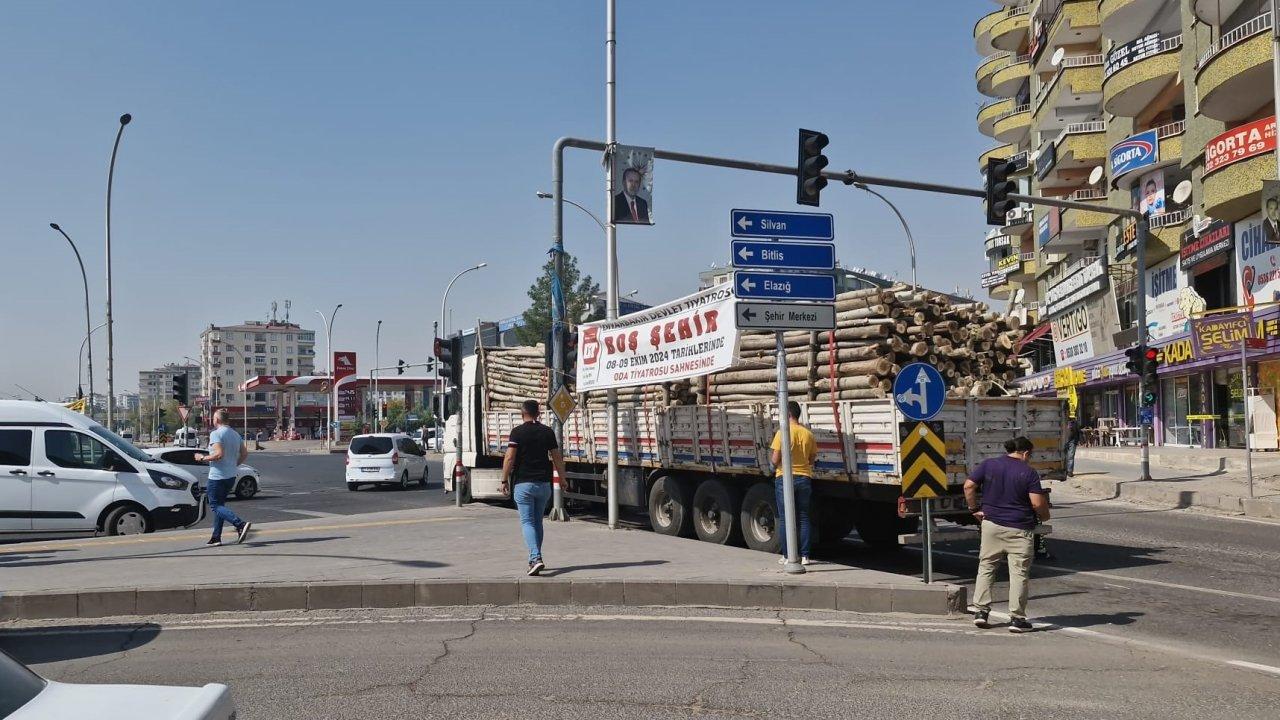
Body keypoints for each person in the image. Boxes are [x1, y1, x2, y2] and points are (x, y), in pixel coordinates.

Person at [964, 436, 1050, 633]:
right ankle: (1017, 619)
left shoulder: (989, 464)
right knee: (1019, 573)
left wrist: (973, 509)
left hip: (991, 524)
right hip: (1019, 529)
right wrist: (1045, 516)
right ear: (1026, 453)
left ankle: (981, 612)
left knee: (986, 567)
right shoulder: (1028, 472)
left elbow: (968, 486)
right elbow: (1037, 503)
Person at [500, 400, 566, 576]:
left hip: (524, 484)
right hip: (544, 485)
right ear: (538, 413)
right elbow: (557, 458)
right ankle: (533, 560)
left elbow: (509, 458)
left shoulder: (517, 433)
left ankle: (536, 558)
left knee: (527, 522)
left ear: (522, 413)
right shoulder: (547, 432)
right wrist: (563, 479)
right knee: (537, 522)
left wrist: (504, 480)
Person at [195, 409, 254, 546]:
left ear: (217, 420)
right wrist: (234, 464)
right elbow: (244, 454)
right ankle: (216, 537)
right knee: (220, 506)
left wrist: (202, 458)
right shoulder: (235, 434)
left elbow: (218, 454)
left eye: (214, 418)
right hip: (231, 476)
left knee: (215, 505)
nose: (212, 420)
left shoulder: (216, 434)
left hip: (217, 476)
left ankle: (240, 524)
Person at [770, 401, 818, 566]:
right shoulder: (808, 434)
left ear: (788, 414)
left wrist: (772, 466)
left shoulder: (781, 433)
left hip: (784, 478)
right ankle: (805, 556)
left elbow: (775, 459)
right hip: (804, 477)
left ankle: (787, 555)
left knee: (785, 518)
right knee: (804, 517)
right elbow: (812, 459)